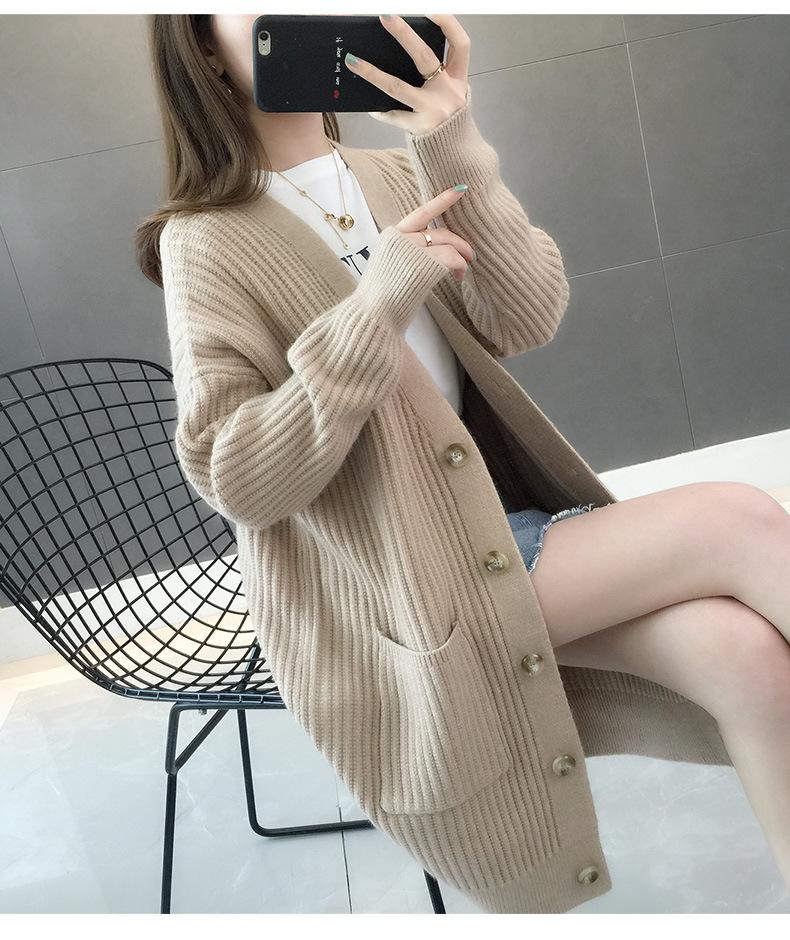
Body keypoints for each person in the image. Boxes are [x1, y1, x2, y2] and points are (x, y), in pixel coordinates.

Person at [136, 13, 790, 910]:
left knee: (738, 653)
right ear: (205, 48)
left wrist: (452, 137)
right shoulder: (206, 238)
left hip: (494, 535)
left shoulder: (392, 171)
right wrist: (376, 303)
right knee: (736, 519)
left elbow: (525, 318)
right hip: (398, 584)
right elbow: (237, 475)